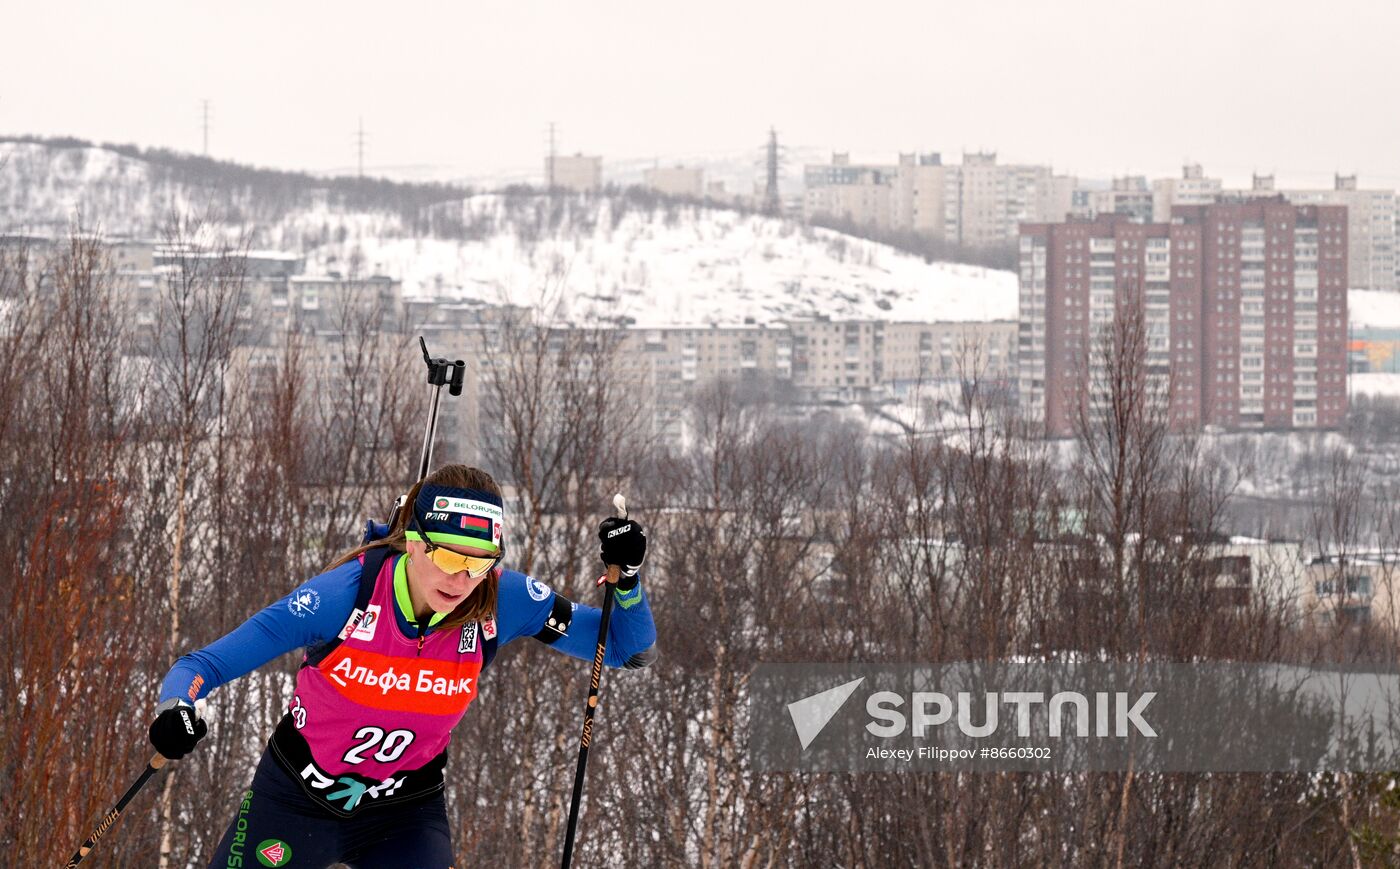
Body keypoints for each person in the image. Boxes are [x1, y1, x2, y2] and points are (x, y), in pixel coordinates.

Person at [148, 464, 656, 869]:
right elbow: (202, 665)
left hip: (404, 814)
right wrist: (176, 708)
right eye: (452, 558)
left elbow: (625, 649)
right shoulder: (343, 599)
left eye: (480, 562)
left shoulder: (502, 599)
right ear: (414, 542)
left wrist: (627, 580)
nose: (464, 580)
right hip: (296, 798)